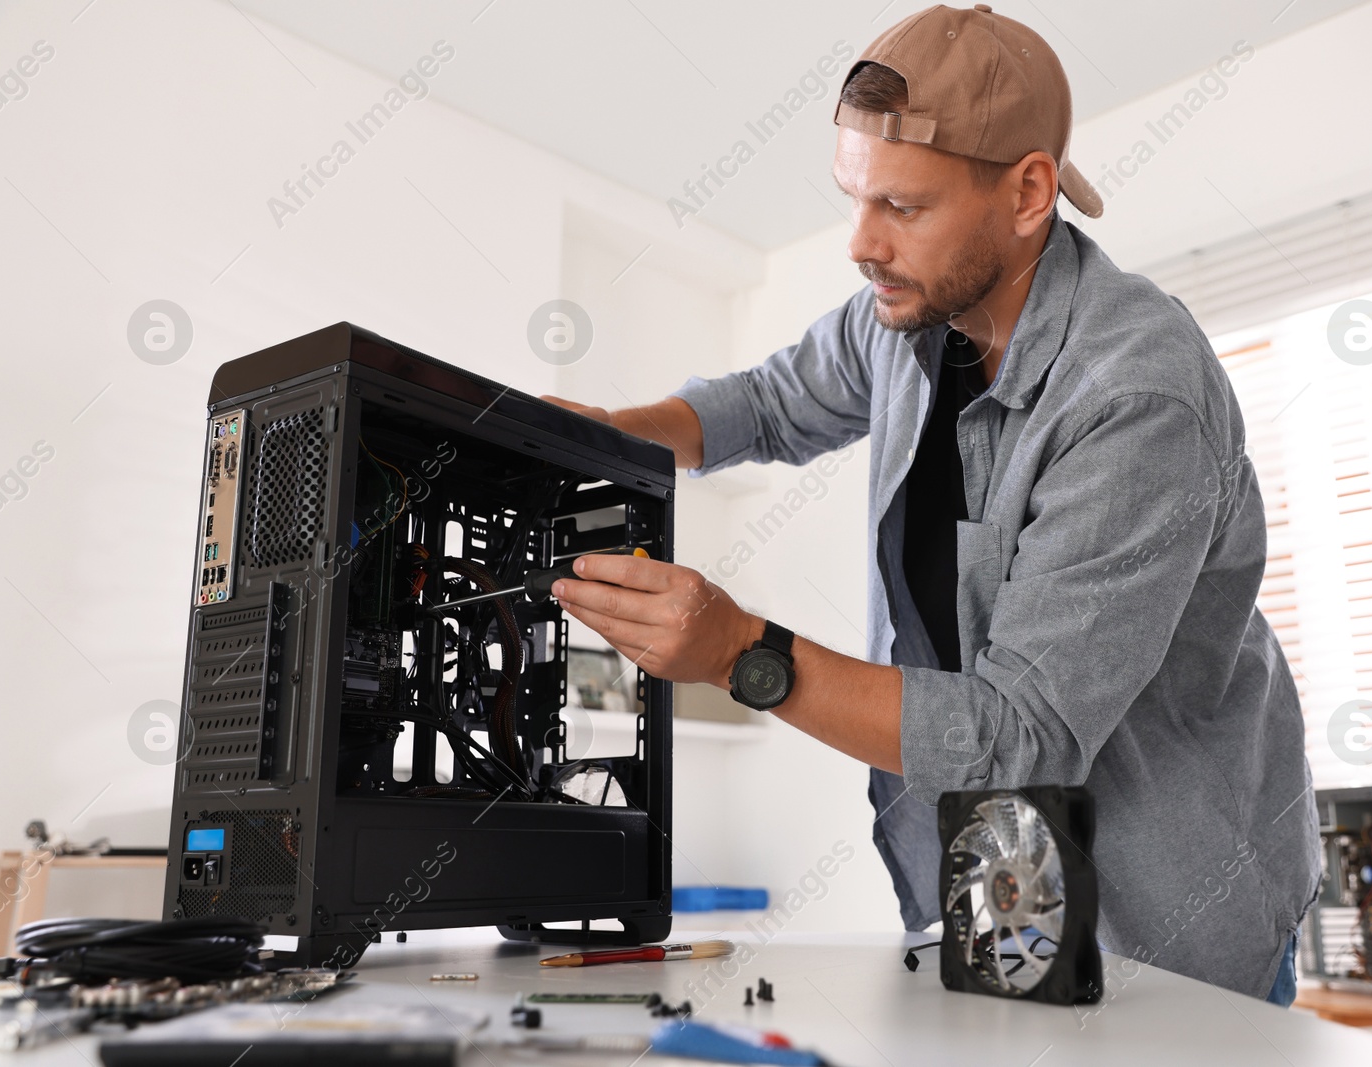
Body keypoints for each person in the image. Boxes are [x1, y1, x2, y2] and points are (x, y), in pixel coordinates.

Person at [542, 3, 1319, 1005]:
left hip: (1164, 908)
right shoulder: (905, 309)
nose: (861, 244)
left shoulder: (1136, 395)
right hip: (999, 862)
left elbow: (1023, 732)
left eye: (902, 207)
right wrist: (607, 431)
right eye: (853, 199)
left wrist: (739, 651)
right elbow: (768, 402)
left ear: (1028, 191)